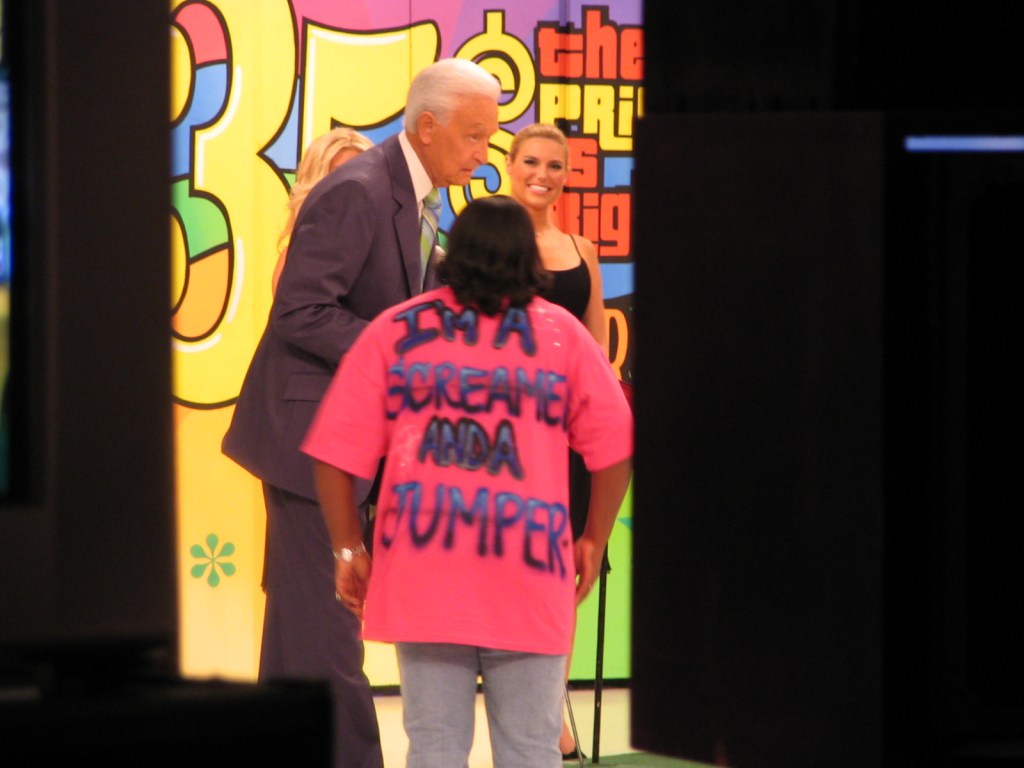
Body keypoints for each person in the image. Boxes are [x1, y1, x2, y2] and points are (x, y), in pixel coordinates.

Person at [221, 59, 501, 768]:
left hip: (331, 440)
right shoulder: (360, 190)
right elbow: (301, 312)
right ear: (427, 127)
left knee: (301, 634)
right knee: (327, 636)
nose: (482, 153)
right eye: (473, 136)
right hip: (308, 442)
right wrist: (410, 351)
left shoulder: (418, 197)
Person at [302, 195, 634, 768]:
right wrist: (593, 539)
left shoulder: (395, 330)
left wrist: (347, 547)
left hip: (423, 574)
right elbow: (616, 445)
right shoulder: (561, 336)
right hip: (530, 573)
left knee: (433, 747)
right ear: (527, 258)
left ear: (451, 254)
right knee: (531, 747)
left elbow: (334, 450)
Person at [506, 122, 607, 759]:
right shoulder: (486, 242)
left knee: (564, 568)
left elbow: (596, 345)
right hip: (509, 434)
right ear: (510, 165)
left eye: (555, 165)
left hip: (568, 432)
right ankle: (527, 706)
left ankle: (549, 706)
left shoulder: (582, 247)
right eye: (532, 161)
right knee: (513, 566)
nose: (543, 174)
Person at [272, 127, 373, 295]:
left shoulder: (387, 253)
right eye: (339, 178)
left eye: (361, 176)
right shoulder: (295, 260)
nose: (353, 190)